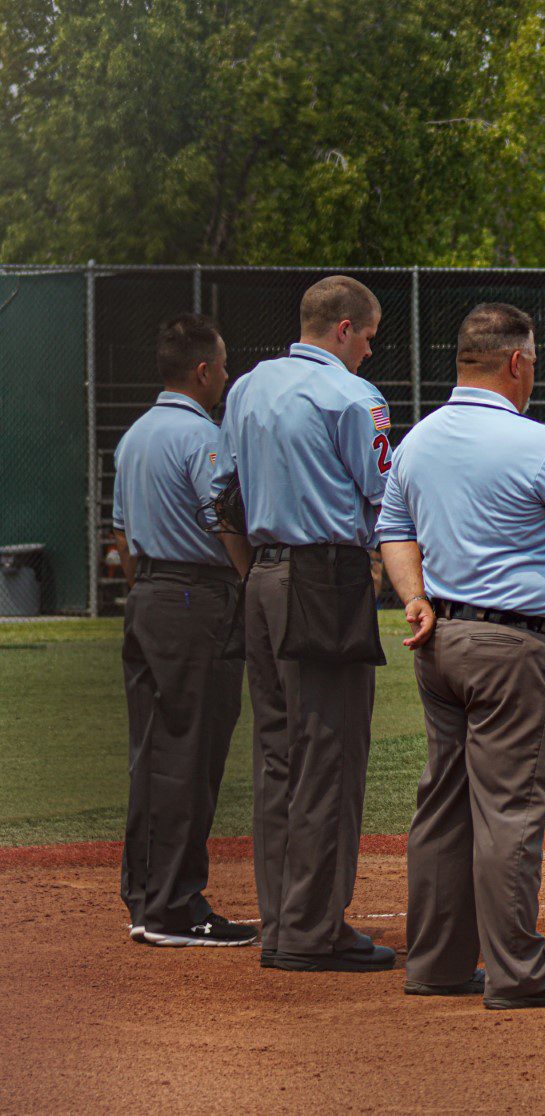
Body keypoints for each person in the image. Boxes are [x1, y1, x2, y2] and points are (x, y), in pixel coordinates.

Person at [378, 303, 545, 1009]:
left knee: (444, 807)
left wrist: (413, 597)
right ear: (516, 363)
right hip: (518, 646)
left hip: (441, 637)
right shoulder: (540, 445)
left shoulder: (417, 440)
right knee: (510, 809)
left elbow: (393, 527)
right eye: (534, 362)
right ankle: (519, 971)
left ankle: (437, 963)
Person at [210, 275, 394, 973]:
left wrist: (257, 573)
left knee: (277, 756)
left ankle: (283, 919)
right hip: (326, 575)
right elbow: (383, 500)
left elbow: (221, 499)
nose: (370, 352)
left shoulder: (249, 386)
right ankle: (314, 929)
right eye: (369, 337)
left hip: (260, 575)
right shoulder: (352, 396)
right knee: (331, 754)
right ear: (344, 328)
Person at [112, 314, 255, 948]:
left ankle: (146, 896)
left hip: (148, 594)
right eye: (222, 365)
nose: (225, 375)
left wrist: (152, 586)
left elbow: (121, 534)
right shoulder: (204, 436)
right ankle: (177, 906)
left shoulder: (134, 435)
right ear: (202, 371)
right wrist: (248, 576)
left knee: (153, 750)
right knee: (192, 753)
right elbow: (223, 514)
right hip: (197, 597)